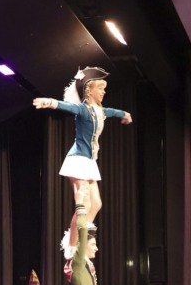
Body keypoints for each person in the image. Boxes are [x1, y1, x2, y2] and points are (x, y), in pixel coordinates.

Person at [33, 66, 132, 245]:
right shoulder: (83, 109)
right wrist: (49, 101)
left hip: (89, 162)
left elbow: (113, 111)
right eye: (100, 88)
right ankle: (72, 246)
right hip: (78, 160)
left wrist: (125, 114)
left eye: (104, 88)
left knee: (96, 204)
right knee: (84, 205)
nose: (103, 91)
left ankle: (82, 239)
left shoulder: (99, 111)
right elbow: (67, 106)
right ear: (89, 90)